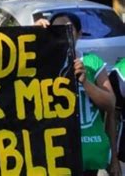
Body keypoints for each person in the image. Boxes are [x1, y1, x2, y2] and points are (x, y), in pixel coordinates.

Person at [36, 13, 119, 175]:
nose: (61, 33)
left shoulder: (91, 62)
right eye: (55, 29)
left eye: (67, 29)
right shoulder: (40, 63)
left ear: (79, 34)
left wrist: (85, 82)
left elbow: (110, 104)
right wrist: (34, 36)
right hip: (53, 154)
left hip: (87, 155)